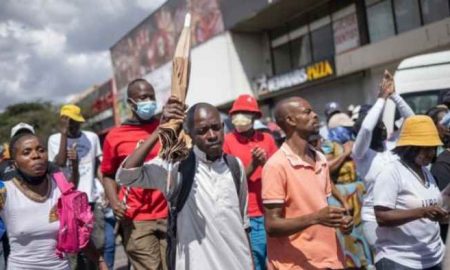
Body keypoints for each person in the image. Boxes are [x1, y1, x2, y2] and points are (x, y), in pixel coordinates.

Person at [117, 98, 253, 270]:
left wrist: (251, 263)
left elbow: (244, 223)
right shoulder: (175, 167)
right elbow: (126, 176)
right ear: (190, 135)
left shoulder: (235, 166)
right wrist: (160, 129)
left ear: (223, 127)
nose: (211, 136)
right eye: (202, 131)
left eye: (216, 128)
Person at [262, 97, 351, 269]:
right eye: (307, 112)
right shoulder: (276, 166)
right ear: (290, 120)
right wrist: (315, 218)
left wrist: (341, 223)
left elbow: (319, 208)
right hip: (295, 264)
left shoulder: (320, 159)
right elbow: (272, 225)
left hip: (331, 260)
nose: (315, 115)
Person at [0, 132, 107, 269]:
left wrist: (100, 262)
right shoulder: (5, 192)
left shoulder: (62, 189)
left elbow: (79, 233)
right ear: (14, 164)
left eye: (41, 150)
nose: (36, 155)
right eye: (26, 152)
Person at [101, 79, 167, 270]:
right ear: (131, 103)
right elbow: (108, 174)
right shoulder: (115, 137)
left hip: (169, 212)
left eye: (151, 97)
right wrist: (114, 202)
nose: (149, 101)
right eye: (142, 97)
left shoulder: (167, 129)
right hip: (136, 217)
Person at [352, 70, 414, 251]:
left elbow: (412, 121)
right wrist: (381, 98)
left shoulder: (394, 148)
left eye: (382, 123)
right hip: (373, 219)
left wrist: (394, 95)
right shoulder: (361, 155)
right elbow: (366, 128)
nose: (380, 126)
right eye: (376, 124)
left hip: (401, 215)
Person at [373, 115, 446, 270]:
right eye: (425, 148)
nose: (431, 153)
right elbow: (382, 217)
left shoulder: (426, 172)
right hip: (400, 260)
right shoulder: (392, 172)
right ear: (410, 148)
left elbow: (434, 206)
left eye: (433, 148)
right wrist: (422, 212)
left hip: (432, 258)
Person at [223, 94, 278, 270]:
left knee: (279, 260)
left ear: (254, 116)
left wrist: (265, 164)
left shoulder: (267, 139)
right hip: (249, 214)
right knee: (257, 261)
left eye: (245, 112)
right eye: (237, 113)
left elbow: (279, 172)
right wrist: (254, 165)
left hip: (273, 210)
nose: (240, 117)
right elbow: (230, 181)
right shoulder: (227, 142)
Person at [48, 104, 103, 270]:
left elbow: (98, 166)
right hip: (68, 203)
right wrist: (64, 135)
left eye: (75, 122)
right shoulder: (55, 139)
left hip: (90, 198)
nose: (73, 125)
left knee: (97, 243)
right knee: (73, 248)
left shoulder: (91, 137)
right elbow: (58, 162)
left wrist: (105, 189)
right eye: (69, 122)